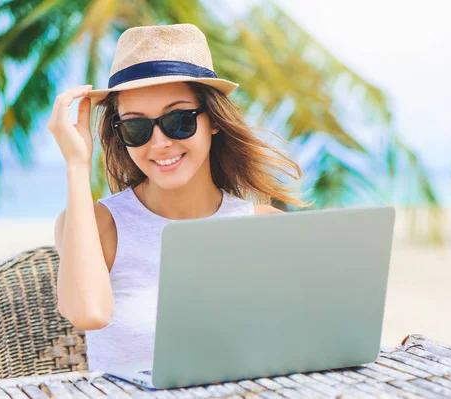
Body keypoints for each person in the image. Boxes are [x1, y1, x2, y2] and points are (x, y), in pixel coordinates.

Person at [48, 23, 306, 371]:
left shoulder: (266, 228)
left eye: (179, 120)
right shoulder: (96, 225)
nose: (159, 143)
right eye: (136, 127)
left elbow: (294, 346)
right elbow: (87, 313)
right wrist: (77, 166)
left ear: (213, 119)